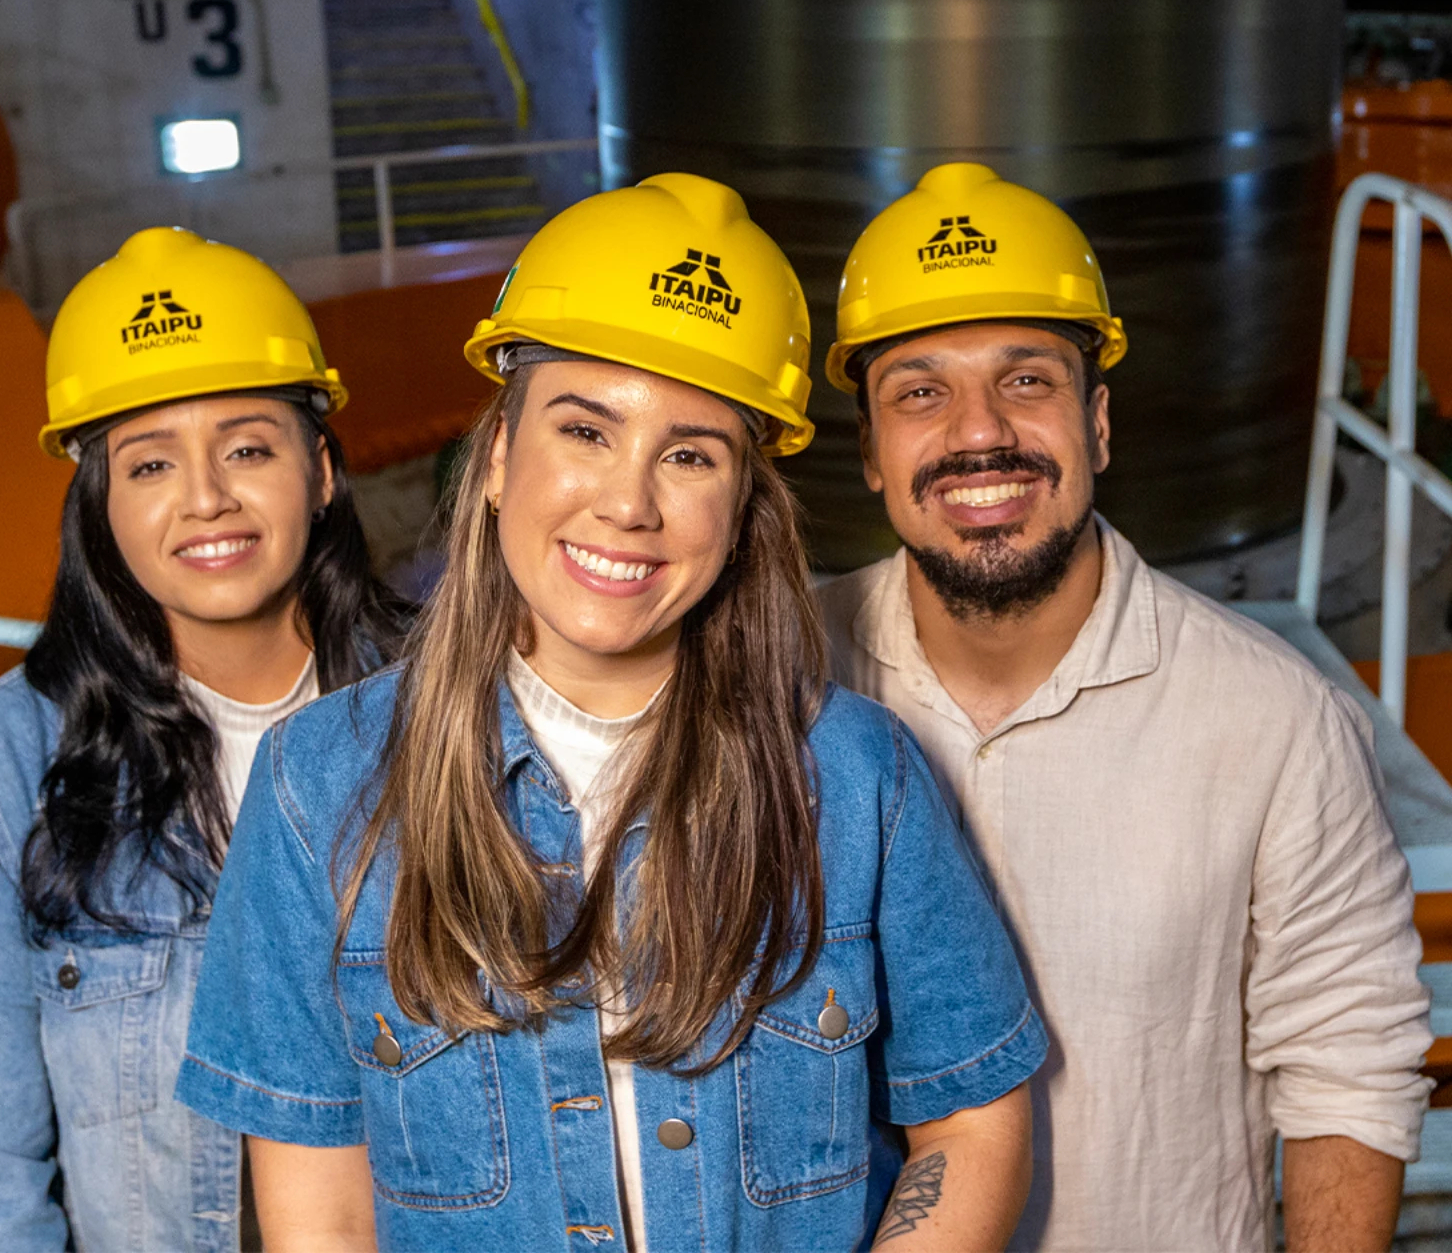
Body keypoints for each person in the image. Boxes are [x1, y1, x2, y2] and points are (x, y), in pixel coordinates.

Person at [176, 172, 1047, 1252]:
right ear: (498, 456)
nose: (629, 504)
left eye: (688, 454)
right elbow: (321, 1202)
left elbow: (968, 1114)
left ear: (741, 508)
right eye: (585, 432)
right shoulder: (321, 785)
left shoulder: (857, 777)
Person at [818, 160, 1433, 1253]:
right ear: (870, 449)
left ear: (1096, 424)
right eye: (920, 390)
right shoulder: (777, 680)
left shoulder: (1272, 722)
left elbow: (1347, 1064)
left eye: (1026, 380)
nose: (978, 434)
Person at [0, 227, 402, 1252]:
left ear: (323, 470)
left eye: (248, 446)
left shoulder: (446, 709)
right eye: (152, 461)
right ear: (102, 505)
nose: (206, 495)